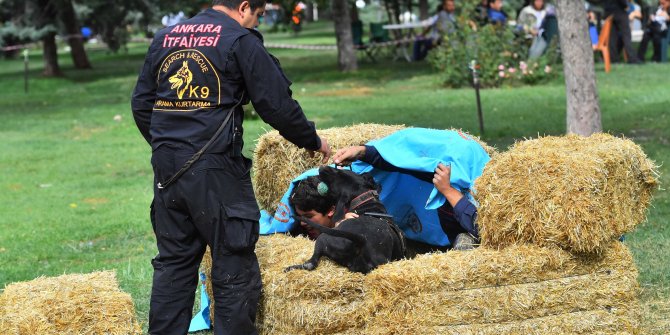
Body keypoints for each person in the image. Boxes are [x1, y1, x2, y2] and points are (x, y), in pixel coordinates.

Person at [130, 0, 331, 334]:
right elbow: (276, 105)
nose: (257, 23)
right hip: (217, 173)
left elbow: (141, 103)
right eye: (259, 15)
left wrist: (169, 149)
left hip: (168, 173)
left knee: (174, 265)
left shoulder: (166, 37)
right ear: (244, 6)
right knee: (233, 264)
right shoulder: (240, 40)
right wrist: (313, 140)